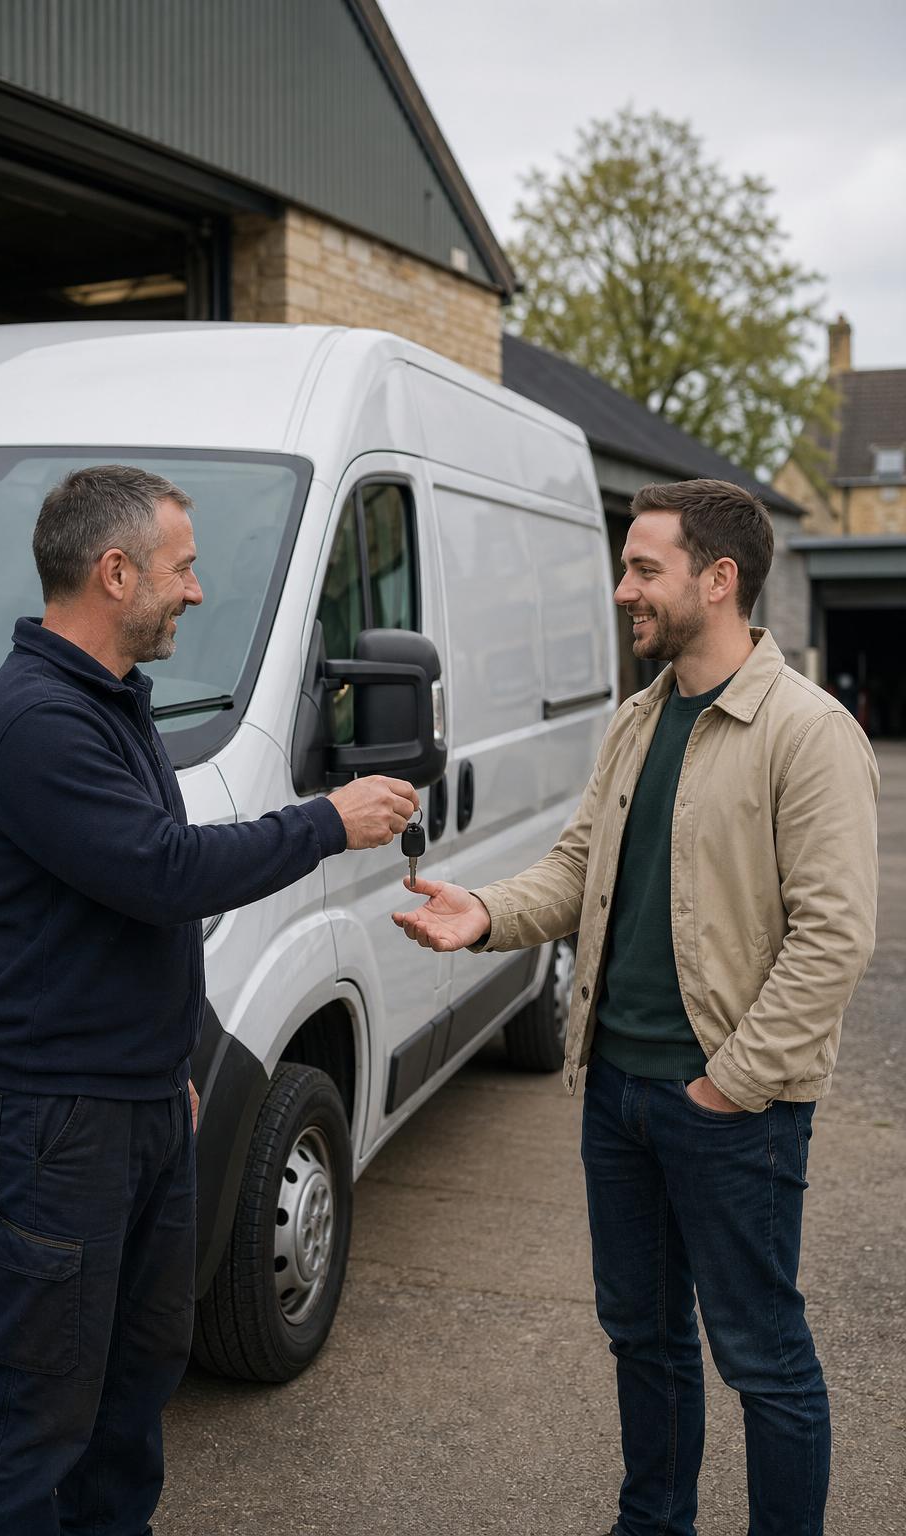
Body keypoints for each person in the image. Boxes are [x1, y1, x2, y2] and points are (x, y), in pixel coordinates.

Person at [393, 479, 878, 1536]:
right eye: (625, 569)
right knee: (642, 1338)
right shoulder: (636, 720)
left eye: (643, 569)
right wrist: (481, 912)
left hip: (726, 1110)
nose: (623, 591)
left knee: (762, 1357)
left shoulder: (806, 732)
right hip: (614, 1090)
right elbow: (578, 871)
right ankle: (652, 1523)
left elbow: (833, 938)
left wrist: (729, 1085)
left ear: (719, 580)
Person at [0, 465, 419, 1535]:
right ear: (115, 573)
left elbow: (139, 921)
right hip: (57, 1122)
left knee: (132, 1384)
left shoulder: (110, 703)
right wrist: (326, 821)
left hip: (136, 1107)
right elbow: (164, 871)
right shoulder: (33, 721)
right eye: (182, 568)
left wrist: (175, 1069)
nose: (194, 592)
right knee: (33, 1406)